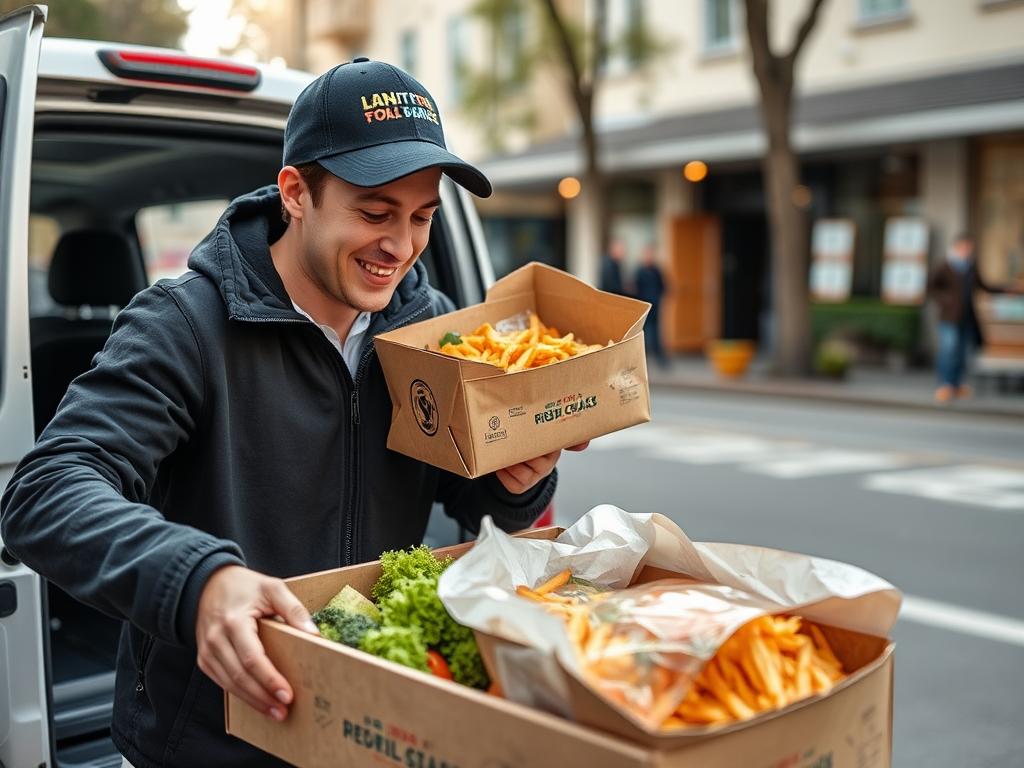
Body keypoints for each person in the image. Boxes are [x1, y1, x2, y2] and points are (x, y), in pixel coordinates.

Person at [0, 59, 585, 768]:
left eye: (421, 217)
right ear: (295, 193)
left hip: (376, 728)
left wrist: (517, 479)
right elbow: (45, 492)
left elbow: (475, 500)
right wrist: (199, 581)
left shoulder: (434, 330)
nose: (400, 247)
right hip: (209, 741)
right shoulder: (184, 323)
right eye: (375, 213)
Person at [926, 232, 1019, 403]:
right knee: (949, 351)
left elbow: (984, 286)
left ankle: (957, 385)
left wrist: (1007, 290)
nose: (967, 251)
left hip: (967, 317)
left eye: (970, 248)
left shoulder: (971, 266)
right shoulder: (945, 265)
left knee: (962, 353)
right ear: (957, 247)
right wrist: (946, 300)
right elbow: (931, 288)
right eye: (965, 247)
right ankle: (944, 385)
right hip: (949, 317)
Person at [634, 243, 669, 369]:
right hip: (644, 307)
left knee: (656, 333)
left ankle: (661, 360)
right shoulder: (640, 271)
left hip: (655, 306)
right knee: (644, 333)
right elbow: (635, 290)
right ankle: (642, 360)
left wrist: (659, 298)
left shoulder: (656, 270)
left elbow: (664, 287)